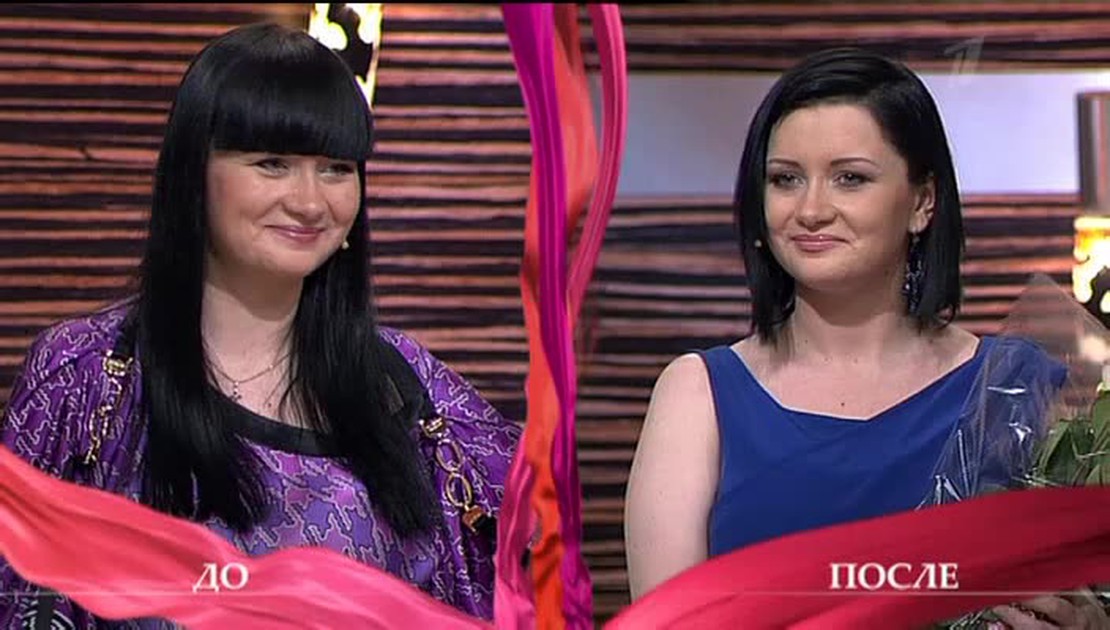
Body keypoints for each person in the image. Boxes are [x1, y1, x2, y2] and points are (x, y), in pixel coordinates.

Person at [0, 23, 520, 628]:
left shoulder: (409, 385)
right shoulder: (86, 377)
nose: (310, 202)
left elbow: (519, 559)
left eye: (336, 168)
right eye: (273, 164)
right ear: (193, 173)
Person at [623, 48, 1109, 628]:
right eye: (785, 179)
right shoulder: (697, 393)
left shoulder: (1016, 388)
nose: (810, 210)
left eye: (849, 178)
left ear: (923, 201)